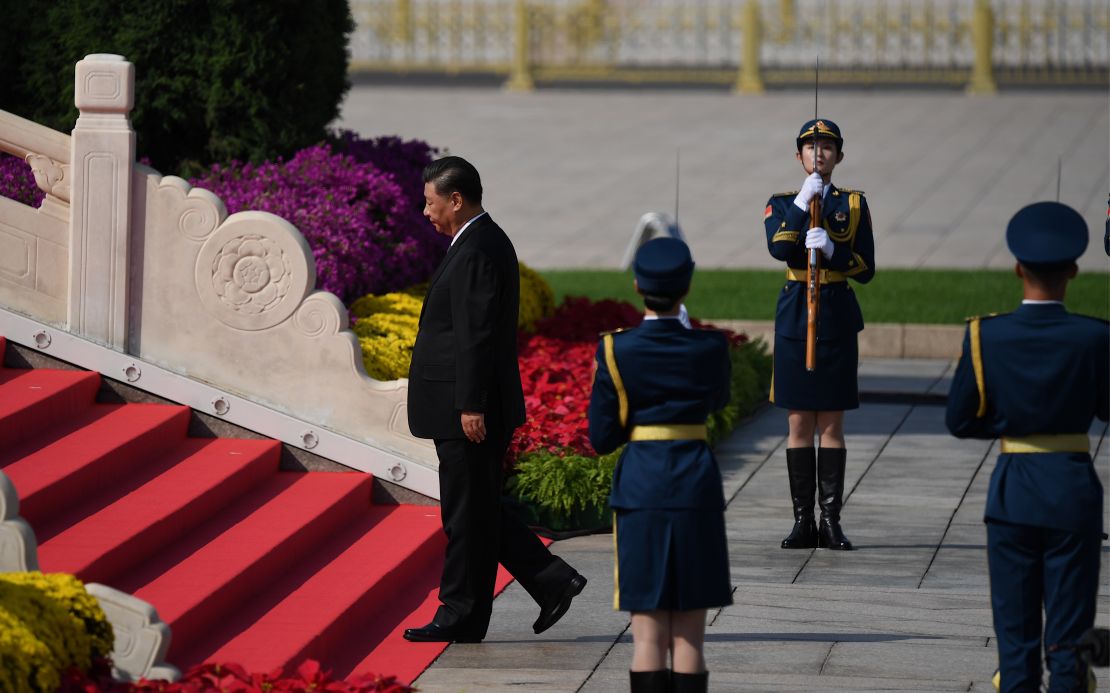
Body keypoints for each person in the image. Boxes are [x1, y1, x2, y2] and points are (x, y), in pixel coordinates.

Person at [403, 156, 586, 644]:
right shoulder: (477, 241)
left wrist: (471, 404)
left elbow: (476, 334)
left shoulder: (480, 247)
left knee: (466, 514)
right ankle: (547, 582)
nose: (426, 212)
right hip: (464, 404)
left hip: (468, 409)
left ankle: (460, 611)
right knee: (475, 510)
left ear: (456, 200)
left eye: (430, 202)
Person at [946, 201, 1107, 693]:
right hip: (1073, 493)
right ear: (1075, 271)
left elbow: (959, 420)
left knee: (1015, 648)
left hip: (1014, 492)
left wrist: (1010, 423)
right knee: (1068, 645)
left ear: (1018, 268)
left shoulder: (986, 335)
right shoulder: (1095, 338)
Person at [588, 237, 732, 693]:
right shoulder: (712, 348)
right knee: (690, 632)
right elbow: (718, 402)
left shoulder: (616, 350)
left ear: (636, 285)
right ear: (686, 288)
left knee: (647, 634)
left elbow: (602, 436)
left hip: (642, 487)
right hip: (695, 485)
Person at [763, 118, 875, 551]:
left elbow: (866, 268)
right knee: (797, 421)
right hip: (796, 313)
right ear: (799, 157)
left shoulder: (854, 204)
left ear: (839, 156)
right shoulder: (781, 202)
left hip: (836, 312)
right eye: (811, 147)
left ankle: (830, 519)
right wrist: (801, 204)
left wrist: (833, 250)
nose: (819, 154)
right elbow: (779, 248)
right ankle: (801, 521)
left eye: (827, 147)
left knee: (831, 421)